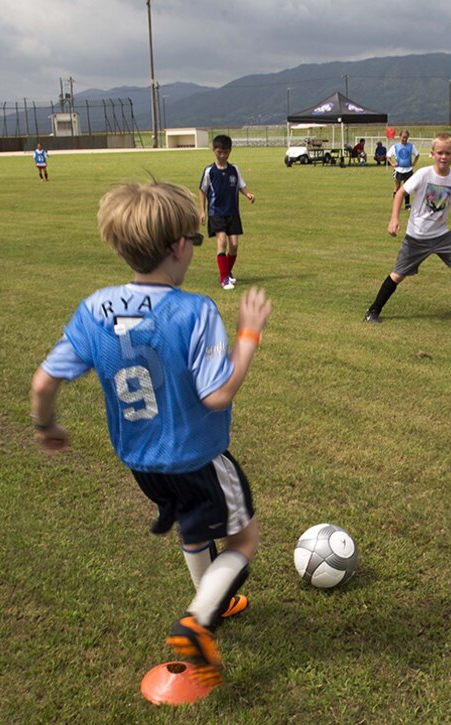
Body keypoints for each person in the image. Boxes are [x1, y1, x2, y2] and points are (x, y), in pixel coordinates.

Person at [30, 180, 273, 687]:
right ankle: (198, 619)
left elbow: (44, 380)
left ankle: (211, 608)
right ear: (181, 247)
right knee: (242, 540)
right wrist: (248, 335)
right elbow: (217, 395)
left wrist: (46, 424)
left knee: (192, 525)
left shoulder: (94, 308)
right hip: (198, 457)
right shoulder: (194, 310)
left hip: (142, 463)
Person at [365, 133, 451, 323]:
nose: (443, 157)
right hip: (417, 237)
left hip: (441, 236)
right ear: (432, 154)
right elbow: (400, 193)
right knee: (398, 275)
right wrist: (394, 218)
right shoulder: (423, 174)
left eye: (448, 153)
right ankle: (373, 311)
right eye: (440, 153)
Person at [199, 134, 255, 290]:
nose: (222, 156)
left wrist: (248, 194)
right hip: (216, 213)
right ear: (213, 150)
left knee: (234, 245)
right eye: (219, 152)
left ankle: (227, 271)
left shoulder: (234, 169)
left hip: (232, 213)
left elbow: (241, 185)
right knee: (222, 242)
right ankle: (224, 278)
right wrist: (202, 212)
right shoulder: (209, 171)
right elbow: (202, 191)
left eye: (226, 153)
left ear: (230, 151)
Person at [387, 130, 418, 210]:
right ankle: (395, 204)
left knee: (407, 187)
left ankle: (407, 204)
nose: (404, 139)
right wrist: (393, 163)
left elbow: (417, 155)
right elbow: (388, 156)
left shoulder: (411, 146)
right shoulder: (395, 146)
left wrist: (414, 163)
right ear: (400, 137)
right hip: (398, 170)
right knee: (397, 187)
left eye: (406, 137)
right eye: (403, 137)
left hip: (408, 170)